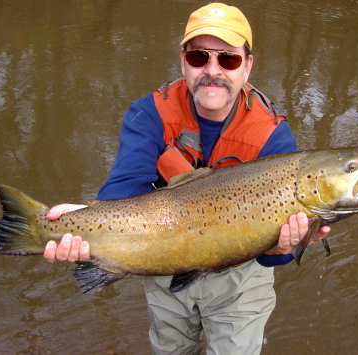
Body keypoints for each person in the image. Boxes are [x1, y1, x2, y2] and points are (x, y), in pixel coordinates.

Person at [44, 3, 331, 354]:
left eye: (228, 59)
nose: (213, 70)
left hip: (240, 280)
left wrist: (283, 246)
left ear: (247, 66)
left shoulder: (274, 135)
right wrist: (81, 223)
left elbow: (272, 258)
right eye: (199, 57)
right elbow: (123, 190)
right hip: (160, 258)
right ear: (183, 61)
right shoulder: (150, 112)